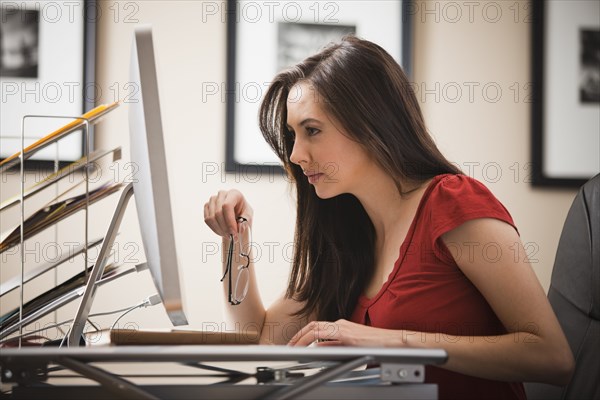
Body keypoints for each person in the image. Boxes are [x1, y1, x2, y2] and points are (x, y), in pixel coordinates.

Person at [203, 35, 574, 399]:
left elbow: (552, 358)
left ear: (368, 123)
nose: (297, 154)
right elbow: (261, 338)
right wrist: (235, 237)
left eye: (312, 130)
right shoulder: (349, 236)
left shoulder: (452, 202)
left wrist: (391, 341)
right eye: (292, 134)